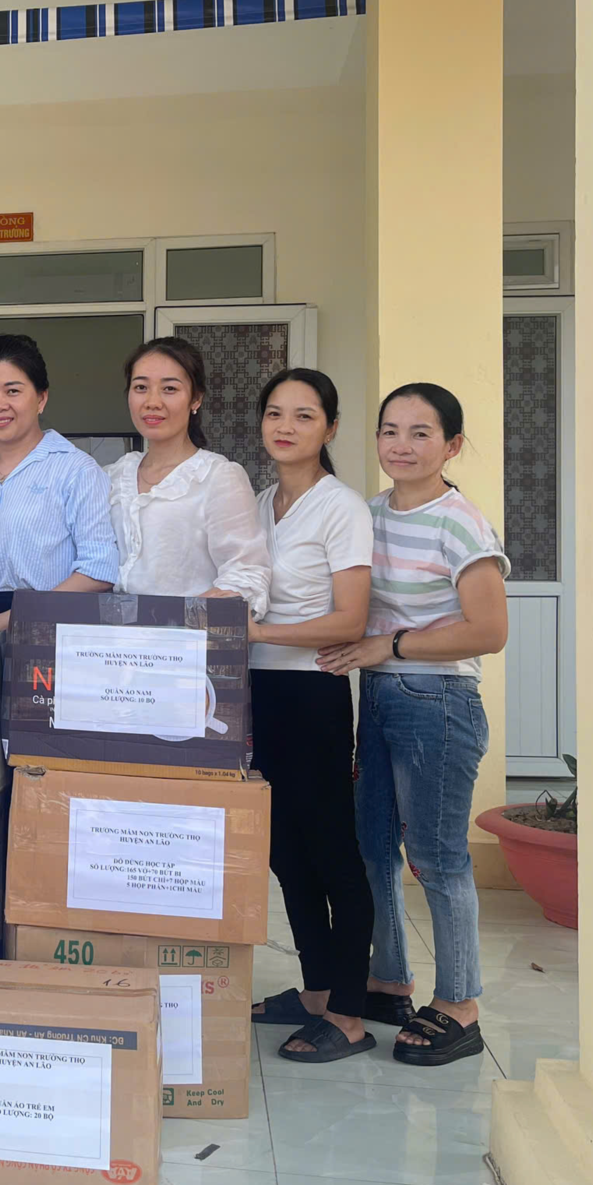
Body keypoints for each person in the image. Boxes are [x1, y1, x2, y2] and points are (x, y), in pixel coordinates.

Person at [318, 382, 510, 1067]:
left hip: (438, 701)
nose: (402, 445)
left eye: (421, 433)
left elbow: (489, 630)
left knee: (435, 857)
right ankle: (389, 981)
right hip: (377, 696)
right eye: (390, 430)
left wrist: (391, 645)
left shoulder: (461, 524)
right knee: (374, 850)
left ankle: (459, 1005)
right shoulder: (368, 515)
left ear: (451, 446)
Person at [242, 368, 382, 1063]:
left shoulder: (341, 507)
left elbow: (350, 618)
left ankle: (350, 1014)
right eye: (275, 413)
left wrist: (259, 633)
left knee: (331, 852)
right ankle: (317, 991)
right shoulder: (258, 502)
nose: (286, 426)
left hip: (312, 692)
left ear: (330, 427)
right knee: (284, 853)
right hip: (256, 691)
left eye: (304, 415)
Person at [0, 333, 116, 630]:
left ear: (41, 398)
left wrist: (12, 619)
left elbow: (98, 571)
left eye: (12, 391)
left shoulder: (76, 470)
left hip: (52, 626)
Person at [106, 336, 270, 615]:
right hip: (111, 637)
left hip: (186, 637)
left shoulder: (217, 477)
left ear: (196, 399)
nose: (152, 402)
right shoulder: (113, 475)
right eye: (141, 387)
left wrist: (183, 618)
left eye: (169, 388)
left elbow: (246, 574)